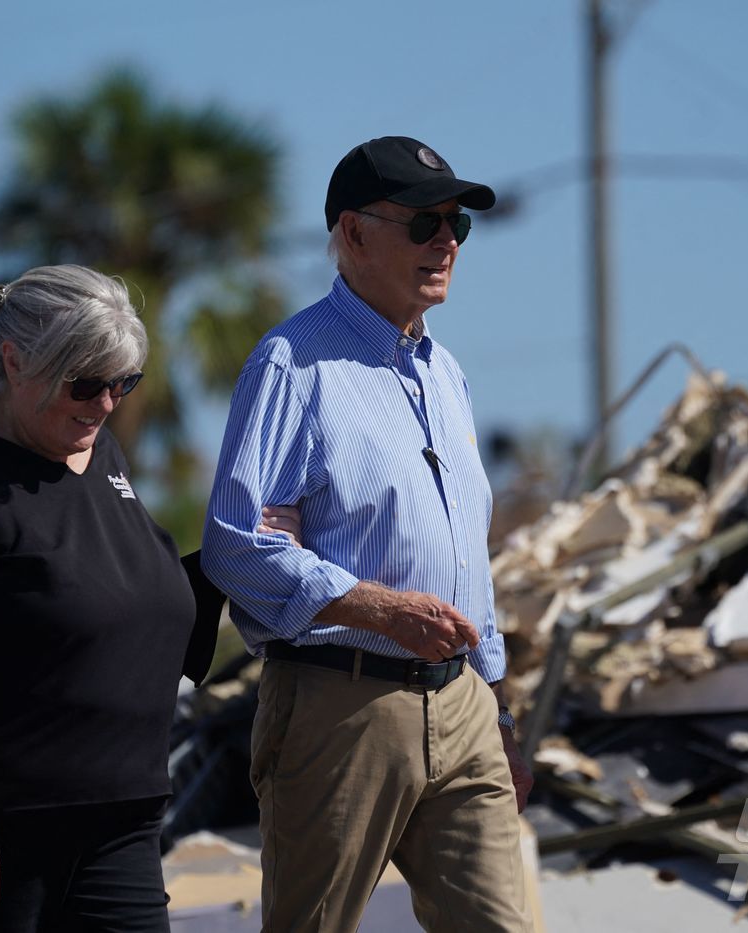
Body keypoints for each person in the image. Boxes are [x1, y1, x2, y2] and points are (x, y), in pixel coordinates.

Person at [0, 264, 299, 932]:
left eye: (124, 382)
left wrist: (233, 558)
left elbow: (125, 598)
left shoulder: (96, 452)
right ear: (14, 361)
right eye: (86, 382)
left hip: (121, 817)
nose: (107, 401)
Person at [201, 135, 533, 933]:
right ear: (353, 233)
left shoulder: (444, 373)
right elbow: (236, 545)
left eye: (457, 224)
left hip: (460, 710)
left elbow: (463, 553)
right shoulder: (292, 363)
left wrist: (495, 698)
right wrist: (378, 608)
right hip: (338, 707)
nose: (447, 242)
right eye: (424, 224)